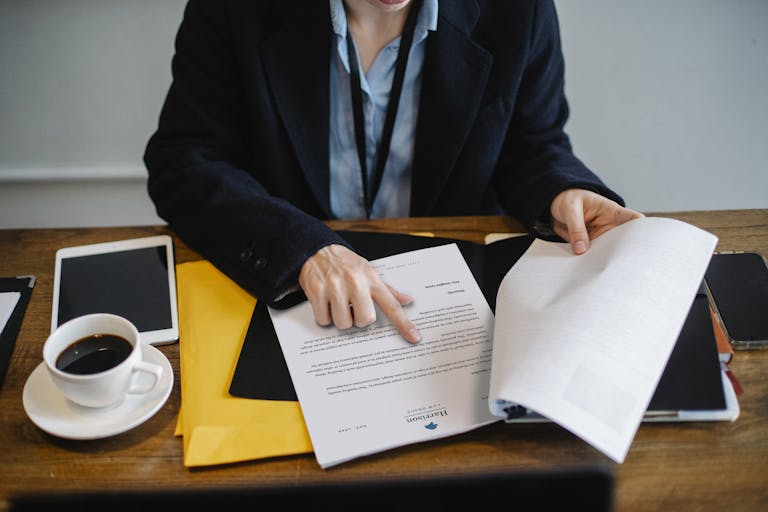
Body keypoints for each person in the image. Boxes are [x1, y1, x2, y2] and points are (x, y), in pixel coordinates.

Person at [144, 0, 643, 344]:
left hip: (454, 292)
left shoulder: (519, 9)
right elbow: (186, 160)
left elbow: (532, 143)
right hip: (294, 286)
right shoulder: (232, 9)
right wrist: (302, 247)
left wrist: (563, 190)